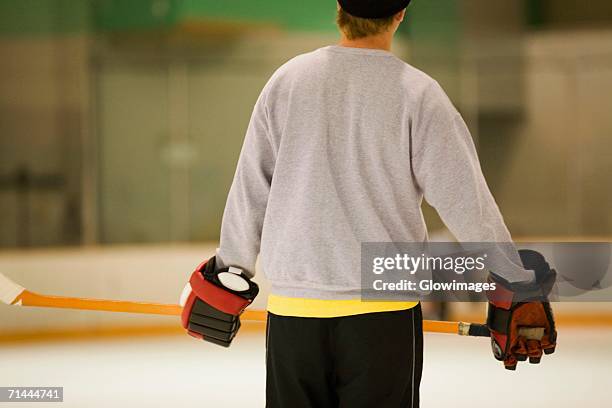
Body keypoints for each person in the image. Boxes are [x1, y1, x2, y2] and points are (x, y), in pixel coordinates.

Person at [181, 1, 556, 406]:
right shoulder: (419, 94)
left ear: (339, 8)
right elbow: (468, 202)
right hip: (383, 317)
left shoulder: (287, 81)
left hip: (295, 315)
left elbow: (251, 187)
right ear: (400, 15)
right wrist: (515, 282)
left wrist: (230, 269)